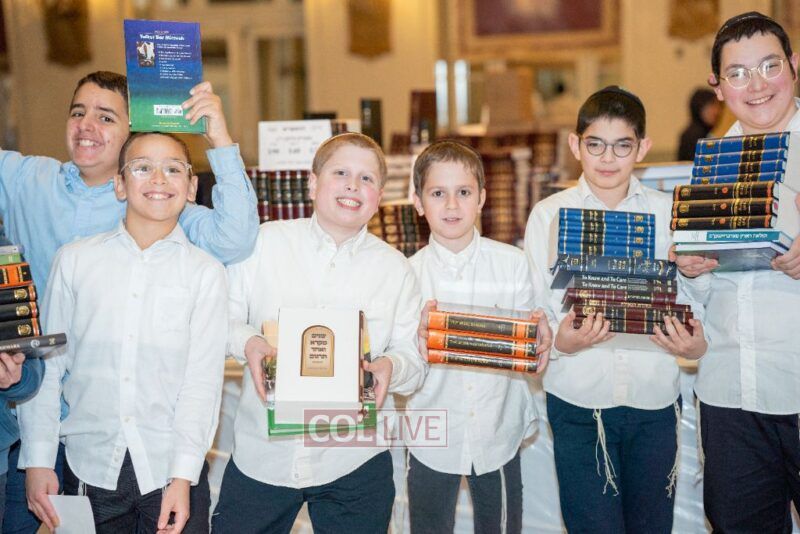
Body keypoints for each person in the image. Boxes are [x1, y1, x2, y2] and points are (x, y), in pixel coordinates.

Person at [0, 70, 257, 533]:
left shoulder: (198, 262)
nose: (87, 126)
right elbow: (51, 364)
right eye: (78, 113)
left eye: (105, 117)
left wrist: (218, 135)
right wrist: (38, 458)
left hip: (161, 459)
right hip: (70, 446)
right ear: (122, 184)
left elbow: (201, 384)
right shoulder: (44, 209)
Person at [213, 132, 426, 533]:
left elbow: (412, 358)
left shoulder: (396, 269)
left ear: (379, 196)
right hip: (264, 455)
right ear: (312, 183)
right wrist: (249, 342)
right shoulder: (263, 243)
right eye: (340, 172)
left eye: (366, 178)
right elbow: (220, 318)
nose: (353, 185)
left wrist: (391, 367)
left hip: (355, 460)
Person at [524, 86, 707, 533]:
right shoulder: (548, 215)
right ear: (575, 145)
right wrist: (561, 342)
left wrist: (694, 341)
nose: (608, 158)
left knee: (652, 526)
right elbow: (536, 308)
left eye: (622, 145)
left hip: (654, 399)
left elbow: (696, 300)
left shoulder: (670, 214)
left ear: (642, 148)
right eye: (595, 145)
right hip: (578, 401)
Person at [675, 12, 800, 532]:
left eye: (769, 66)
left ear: (793, 66)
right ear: (718, 86)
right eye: (738, 73)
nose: (757, 85)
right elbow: (696, 299)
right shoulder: (710, 167)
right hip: (729, 397)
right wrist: (691, 271)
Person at [406, 140, 552, 534]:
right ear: (418, 202)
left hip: (497, 428)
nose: (452, 205)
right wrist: (416, 342)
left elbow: (532, 345)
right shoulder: (406, 275)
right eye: (438, 193)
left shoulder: (513, 264)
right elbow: (402, 366)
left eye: (464, 192)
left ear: (482, 198)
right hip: (430, 434)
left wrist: (540, 343)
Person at [676, 88, 721, 160]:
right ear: (699, 107)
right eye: (712, 105)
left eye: (718, 106)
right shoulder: (693, 135)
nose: (717, 111)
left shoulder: (705, 133)